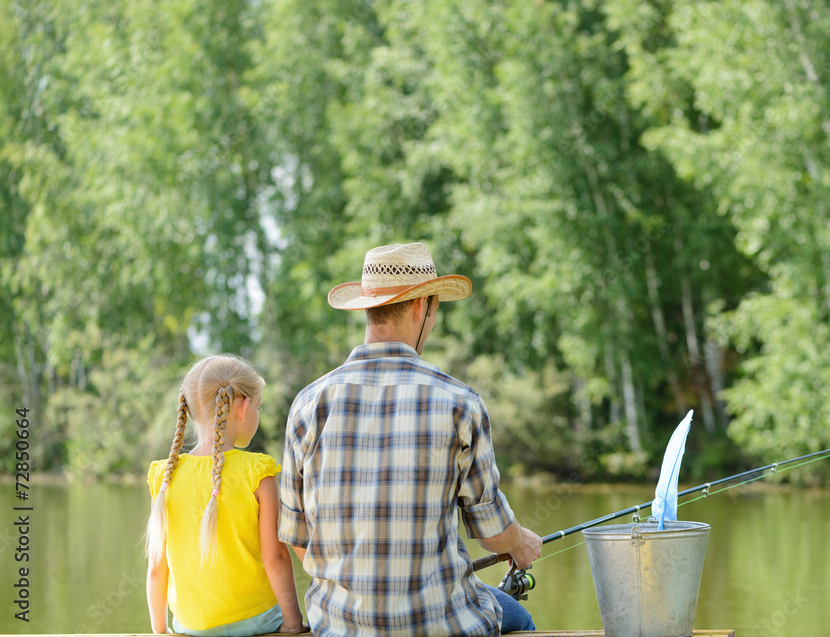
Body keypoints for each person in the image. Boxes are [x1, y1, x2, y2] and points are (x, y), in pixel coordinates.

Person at [279, 242, 543, 637]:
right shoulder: (460, 403)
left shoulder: (308, 404)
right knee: (521, 621)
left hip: (339, 628)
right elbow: (492, 534)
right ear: (422, 307)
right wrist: (520, 543)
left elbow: (299, 540)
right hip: (440, 625)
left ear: (368, 307)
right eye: (434, 310)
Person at [144, 354, 306, 636]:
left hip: (191, 625)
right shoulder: (257, 472)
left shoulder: (165, 476)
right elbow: (275, 557)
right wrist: (292, 624)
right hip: (257, 619)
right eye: (259, 406)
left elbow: (157, 568)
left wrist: (160, 630)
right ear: (242, 407)